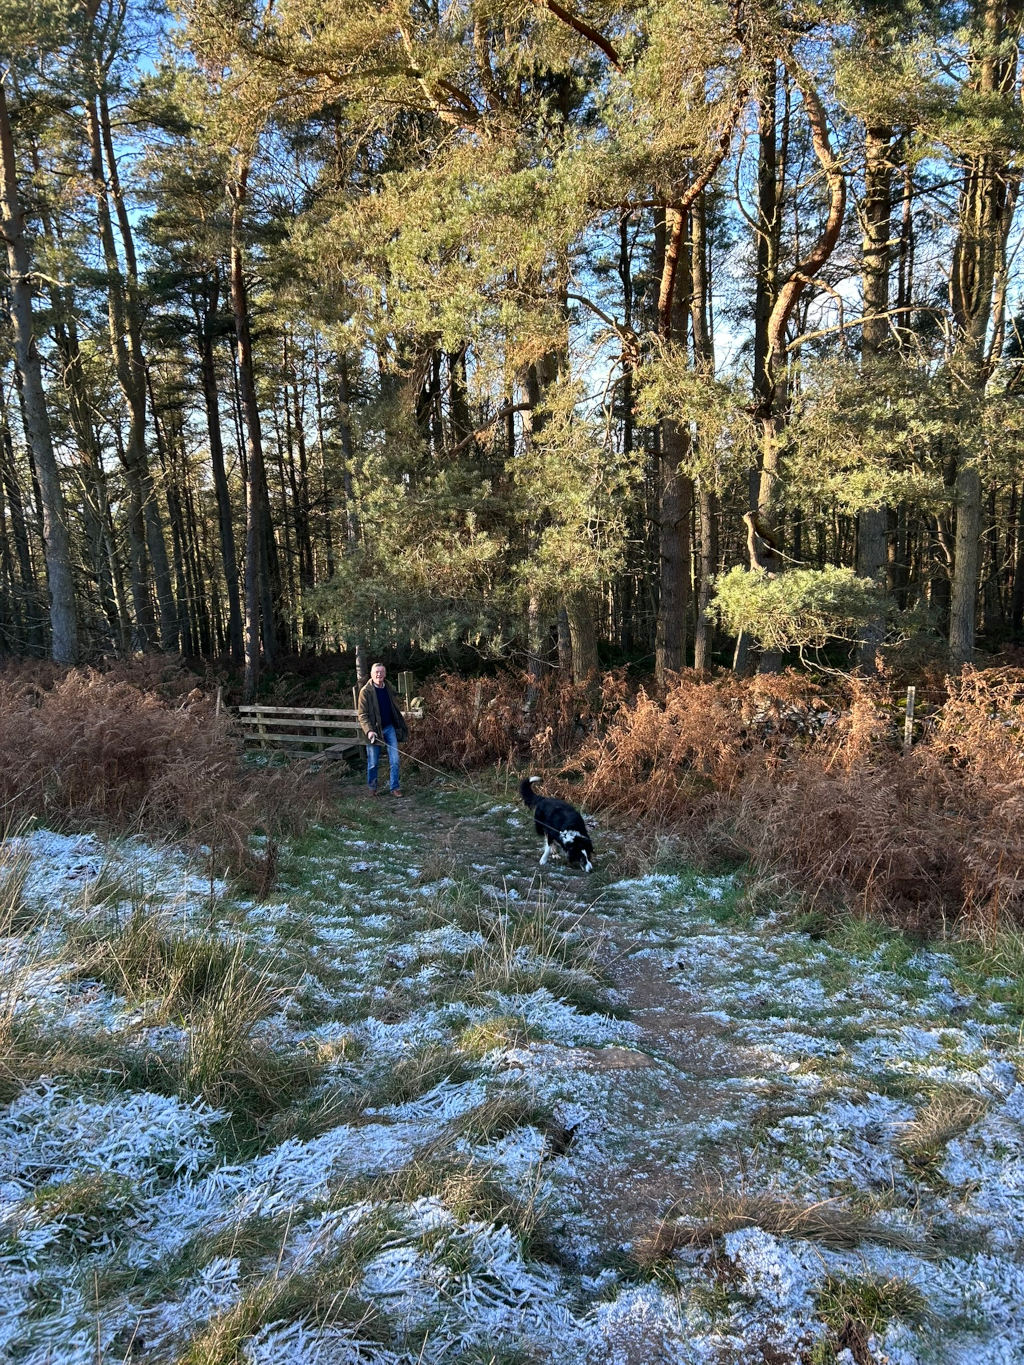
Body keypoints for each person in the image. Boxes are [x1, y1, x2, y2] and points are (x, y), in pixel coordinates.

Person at [357, 662, 409, 796]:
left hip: (389, 728)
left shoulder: (388, 687)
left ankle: (394, 788)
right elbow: (362, 715)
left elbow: (394, 706)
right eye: (376, 672)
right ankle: (372, 788)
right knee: (373, 763)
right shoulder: (365, 692)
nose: (379, 674)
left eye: (381, 672)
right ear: (372, 674)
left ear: (385, 674)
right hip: (374, 731)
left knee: (395, 760)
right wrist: (369, 731)